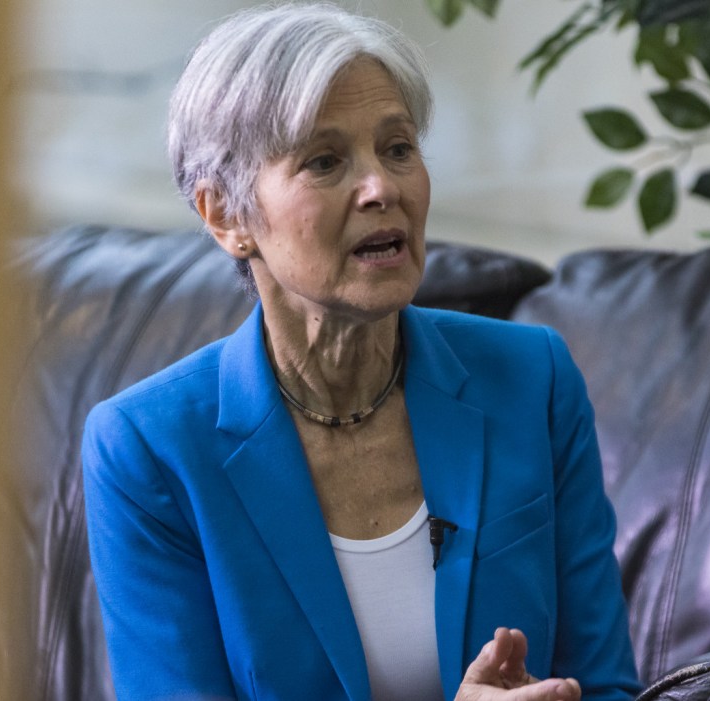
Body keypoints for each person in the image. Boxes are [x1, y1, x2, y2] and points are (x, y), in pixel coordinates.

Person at [81, 2, 642, 700]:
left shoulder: (534, 379)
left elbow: (609, 684)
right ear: (225, 216)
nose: (382, 188)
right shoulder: (149, 447)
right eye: (325, 160)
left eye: (398, 148)